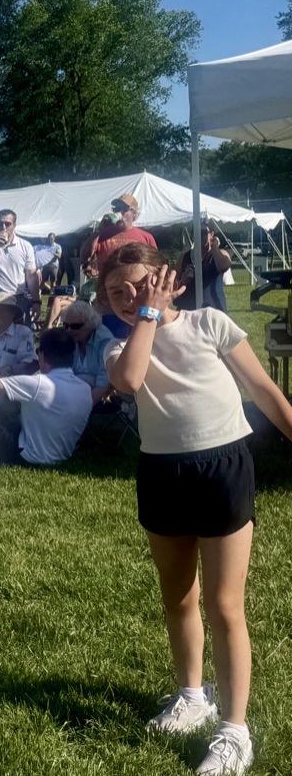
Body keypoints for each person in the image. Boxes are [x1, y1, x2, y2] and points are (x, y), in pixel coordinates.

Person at [101, 242, 292, 776]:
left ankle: (234, 730)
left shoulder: (210, 324)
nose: (129, 297)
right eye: (116, 293)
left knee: (225, 604)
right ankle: (192, 695)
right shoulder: (117, 350)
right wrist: (144, 315)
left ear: (167, 279)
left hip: (222, 468)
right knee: (177, 599)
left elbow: (263, 388)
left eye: (139, 285)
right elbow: (131, 381)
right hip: (162, 474)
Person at [0, 328, 93, 465]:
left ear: (43, 356)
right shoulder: (85, 389)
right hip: (63, 456)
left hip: (27, 456)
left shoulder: (38, 383)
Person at [54, 300, 115, 404]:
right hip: (71, 386)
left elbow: (103, 384)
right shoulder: (71, 338)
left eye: (75, 326)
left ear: (90, 324)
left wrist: (82, 407)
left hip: (94, 392)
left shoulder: (104, 342)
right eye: (66, 325)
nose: (69, 330)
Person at [86, 193, 158, 269]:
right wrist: (99, 230)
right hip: (109, 280)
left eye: (124, 208)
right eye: (116, 208)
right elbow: (85, 256)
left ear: (134, 214)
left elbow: (155, 264)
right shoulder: (102, 235)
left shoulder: (146, 237)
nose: (119, 212)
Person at [176, 225, 232, 313]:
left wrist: (214, 247)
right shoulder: (184, 257)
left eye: (203, 233)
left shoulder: (219, 254)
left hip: (213, 309)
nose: (199, 236)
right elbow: (174, 285)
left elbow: (224, 266)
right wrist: (182, 281)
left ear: (211, 234)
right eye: (195, 232)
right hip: (188, 309)